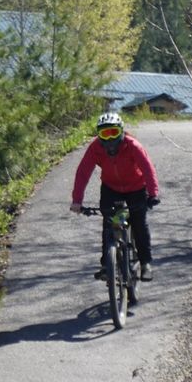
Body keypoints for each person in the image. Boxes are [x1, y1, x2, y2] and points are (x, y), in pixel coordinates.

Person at [68, 111, 160, 280]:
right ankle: (106, 265)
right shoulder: (95, 148)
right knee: (109, 224)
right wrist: (77, 201)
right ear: (99, 135)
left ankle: (146, 262)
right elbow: (83, 172)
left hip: (136, 187)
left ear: (121, 132)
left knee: (139, 222)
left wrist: (153, 193)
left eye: (114, 133)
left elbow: (147, 168)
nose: (109, 139)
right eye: (105, 133)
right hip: (111, 187)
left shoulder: (133, 146)